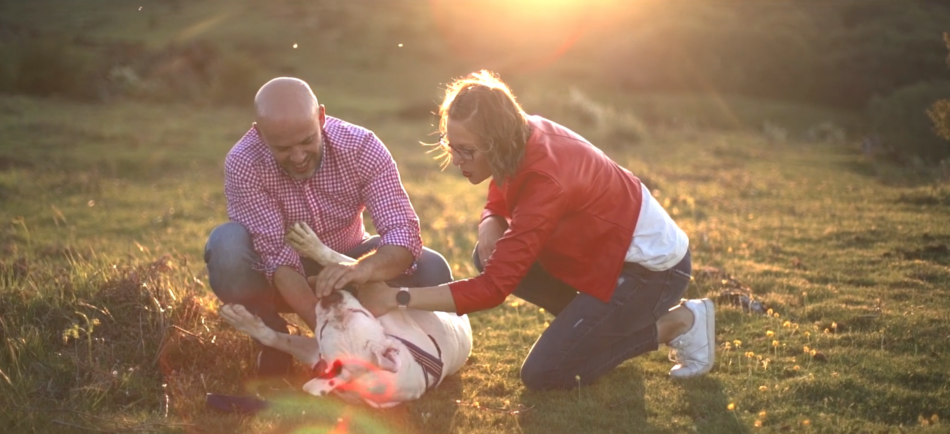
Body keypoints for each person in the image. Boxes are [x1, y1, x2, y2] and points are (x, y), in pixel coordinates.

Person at [355, 71, 715, 390]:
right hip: (605, 260)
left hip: (653, 272)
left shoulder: (547, 181)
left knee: (545, 373)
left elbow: (494, 290)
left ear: (496, 143)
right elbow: (505, 181)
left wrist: (396, 297)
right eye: (450, 145)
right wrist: (489, 220)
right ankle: (594, 330)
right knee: (485, 253)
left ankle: (678, 323)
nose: (456, 160)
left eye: (465, 150)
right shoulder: (521, 131)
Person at [204, 77, 454, 376]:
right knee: (226, 245)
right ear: (260, 134)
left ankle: (407, 341)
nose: (297, 157)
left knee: (432, 268)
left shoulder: (361, 145)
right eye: (282, 148)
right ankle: (273, 339)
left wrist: (361, 269)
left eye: (307, 140)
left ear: (321, 117)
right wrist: (330, 336)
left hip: (351, 260)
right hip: (281, 276)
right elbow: (277, 258)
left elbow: (402, 231)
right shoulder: (244, 162)